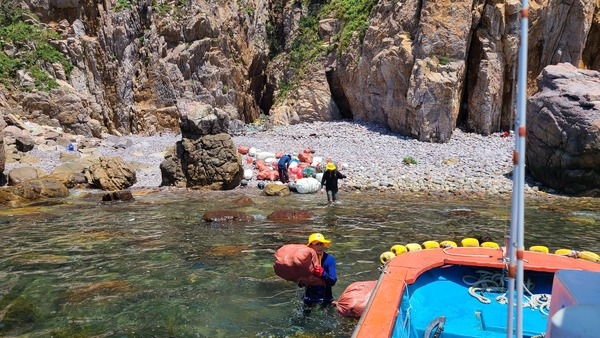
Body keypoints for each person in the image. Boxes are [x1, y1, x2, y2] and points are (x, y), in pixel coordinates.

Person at [303, 232, 337, 314]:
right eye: (316, 244)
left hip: (326, 299)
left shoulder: (330, 260)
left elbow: (333, 281)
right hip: (309, 298)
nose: (320, 246)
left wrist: (323, 273)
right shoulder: (306, 260)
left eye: (321, 244)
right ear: (311, 246)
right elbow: (300, 285)